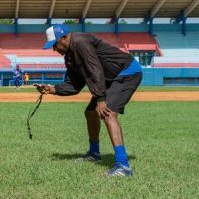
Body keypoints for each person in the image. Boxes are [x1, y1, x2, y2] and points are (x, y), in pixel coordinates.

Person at [35, 24, 142, 177]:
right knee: (91, 113)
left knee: (108, 113)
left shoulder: (80, 42)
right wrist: (53, 89)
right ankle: (94, 153)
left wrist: (100, 99)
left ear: (64, 38)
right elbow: (75, 85)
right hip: (110, 77)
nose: (54, 49)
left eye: (55, 44)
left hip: (127, 72)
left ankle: (123, 165)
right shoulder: (70, 55)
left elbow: (94, 69)